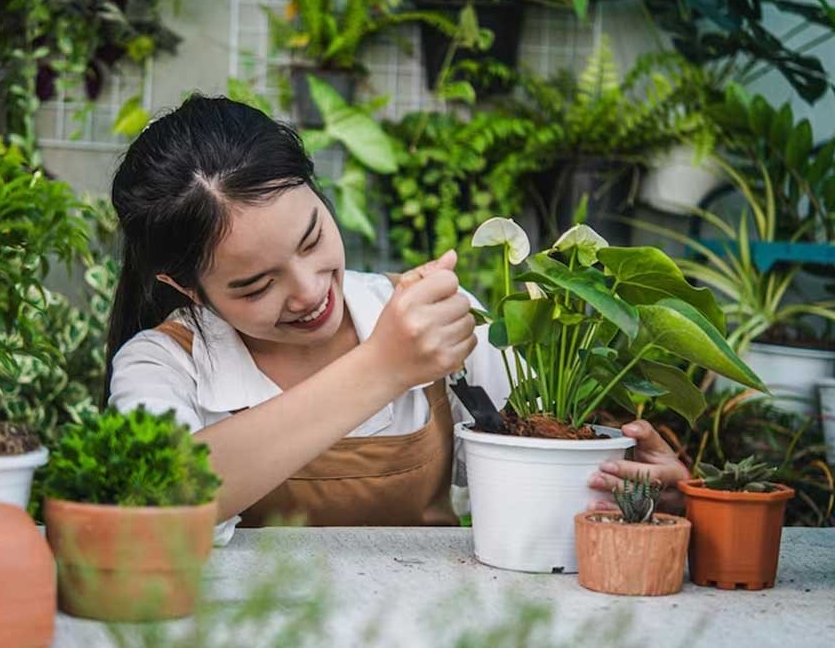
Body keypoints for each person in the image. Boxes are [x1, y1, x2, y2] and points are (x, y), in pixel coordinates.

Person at [105, 95, 687, 543]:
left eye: (312, 241)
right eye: (257, 284)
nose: (309, 293)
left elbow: (540, 484)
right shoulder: (161, 364)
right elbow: (158, 505)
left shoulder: (423, 320)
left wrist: (647, 491)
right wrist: (382, 368)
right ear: (186, 288)